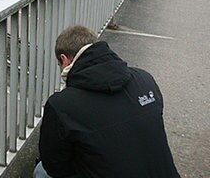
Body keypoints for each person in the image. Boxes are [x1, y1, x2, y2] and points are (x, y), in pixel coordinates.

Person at [34, 25, 180, 178]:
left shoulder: (61, 105)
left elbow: (55, 167)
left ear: (64, 59)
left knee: (42, 171)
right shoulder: (145, 79)